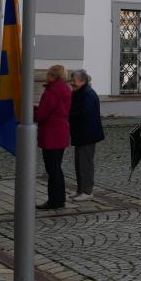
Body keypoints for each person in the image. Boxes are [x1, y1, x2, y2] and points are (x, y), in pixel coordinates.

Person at [36, 65, 72, 210]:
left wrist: (30, 112)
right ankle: (60, 199)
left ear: (53, 76)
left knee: (52, 169)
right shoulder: (65, 89)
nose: (46, 76)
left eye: (48, 74)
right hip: (61, 133)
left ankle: (54, 201)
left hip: (51, 134)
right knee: (57, 168)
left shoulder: (51, 92)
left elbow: (42, 115)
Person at [68, 69, 104, 202]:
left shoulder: (88, 94)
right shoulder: (79, 92)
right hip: (81, 133)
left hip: (87, 134)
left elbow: (85, 113)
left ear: (82, 80)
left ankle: (87, 191)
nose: (72, 83)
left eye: (74, 81)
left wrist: (68, 114)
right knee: (79, 163)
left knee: (85, 164)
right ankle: (80, 189)